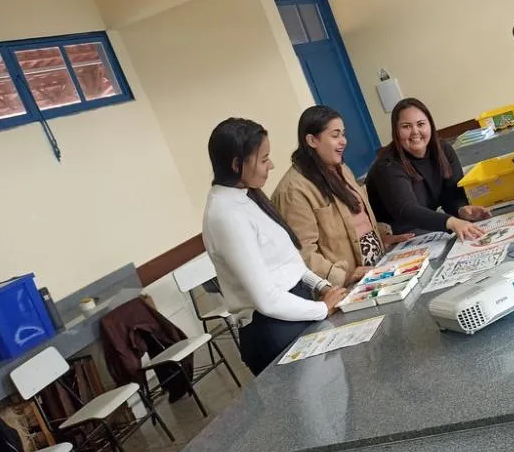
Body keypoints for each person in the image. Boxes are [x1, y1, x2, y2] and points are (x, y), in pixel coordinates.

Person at [202, 117, 349, 375]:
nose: (270, 165)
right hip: (273, 329)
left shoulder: (247, 196)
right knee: (312, 411)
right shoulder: (225, 215)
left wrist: (322, 286)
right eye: (263, 159)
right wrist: (322, 308)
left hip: (297, 311)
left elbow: (288, 262)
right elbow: (266, 299)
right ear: (237, 164)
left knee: (334, 394)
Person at [271, 106, 414, 288]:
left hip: (377, 267)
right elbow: (303, 252)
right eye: (335, 135)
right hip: (346, 285)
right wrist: (343, 276)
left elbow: (354, 218)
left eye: (343, 134)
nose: (343, 141)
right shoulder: (293, 190)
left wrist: (381, 236)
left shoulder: (341, 169)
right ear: (312, 140)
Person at [365, 98, 491, 240]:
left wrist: (460, 210)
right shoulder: (387, 165)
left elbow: (451, 195)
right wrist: (451, 221)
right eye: (406, 126)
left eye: (421, 124)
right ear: (396, 131)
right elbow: (406, 210)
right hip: (399, 237)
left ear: (430, 125)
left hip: (427, 229)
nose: (415, 132)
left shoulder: (443, 149)